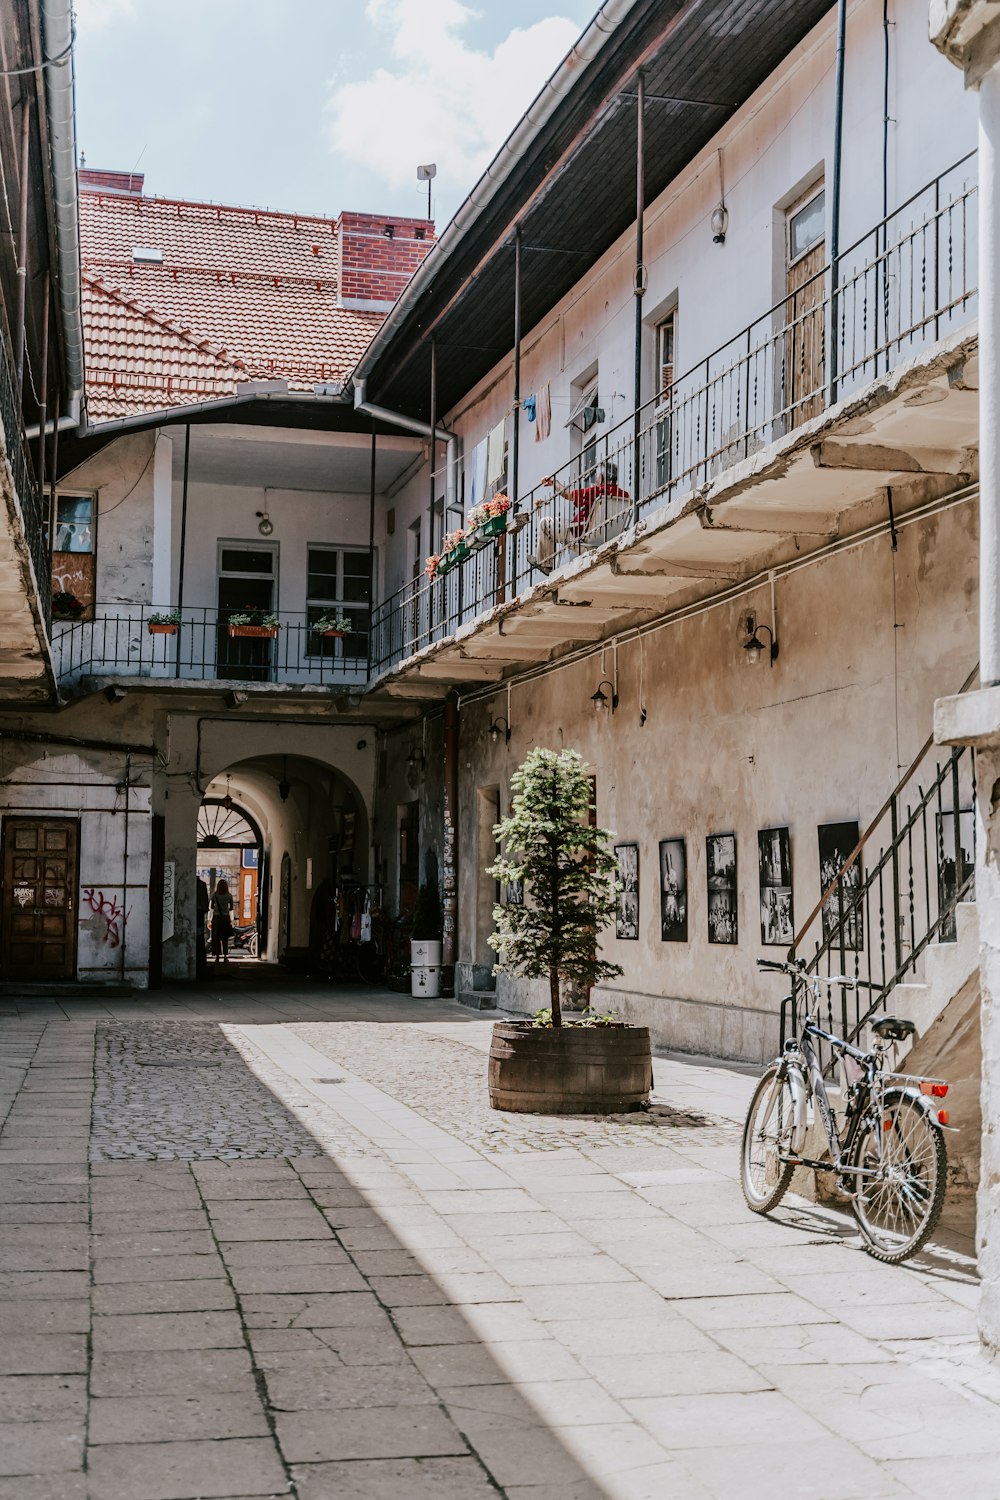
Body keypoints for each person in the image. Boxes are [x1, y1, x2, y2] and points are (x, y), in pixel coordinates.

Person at [528, 461, 630, 574]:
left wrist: (554, 482)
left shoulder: (596, 491)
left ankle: (545, 564)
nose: (595, 478)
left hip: (582, 537)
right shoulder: (624, 495)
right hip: (609, 538)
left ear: (601, 478)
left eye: (597, 475)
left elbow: (568, 494)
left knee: (545, 523)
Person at [210, 878, 234, 964]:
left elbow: (211, 908)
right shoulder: (229, 896)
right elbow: (231, 909)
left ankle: (217, 957)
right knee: (225, 938)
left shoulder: (214, 895)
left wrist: (209, 920)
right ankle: (225, 957)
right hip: (225, 918)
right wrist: (232, 920)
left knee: (216, 938)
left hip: (216, 918)